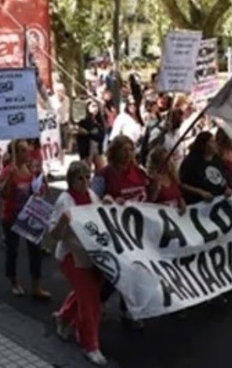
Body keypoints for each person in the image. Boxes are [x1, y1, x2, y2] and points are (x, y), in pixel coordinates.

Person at [50, 161, 108, 366]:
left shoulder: (92, 196)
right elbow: (54, 235)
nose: (85, 182)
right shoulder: (65, 201)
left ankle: (64, 317)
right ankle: (89, 344)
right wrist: (63, 222)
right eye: (79, 178)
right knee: (90, 302)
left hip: (91, 256)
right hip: (72, 257)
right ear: (70, 180)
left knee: (86, 294)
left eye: (87, 177)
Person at [91, 134, 147, 327]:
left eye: (131, 149)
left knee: (134, 271)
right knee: (116, 272)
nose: (128, 153)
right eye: (124, 150)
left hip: (136, 232)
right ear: (114, 152)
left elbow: (148, 197)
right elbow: (92, 200)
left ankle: (129, 309)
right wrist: (111, 202)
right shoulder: (104, 175)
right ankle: (100, 300)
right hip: (114, 231)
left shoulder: (139, 172)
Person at [0, 140, 51, 299]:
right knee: (12, 251)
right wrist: (9, 177)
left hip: (29, 216)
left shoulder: (30, 169)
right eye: (22, 151)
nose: (27, 153)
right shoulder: (8, 171)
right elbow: (3, 195)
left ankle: (36, 286)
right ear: (15, 153)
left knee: (35, 250)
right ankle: (13, 281)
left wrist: (42, 177)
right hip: (11, 217)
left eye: (27, 150)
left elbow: (42, 190)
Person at [179, 131, 230, 204]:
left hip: (219, 200)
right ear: (204, 145)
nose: (216, 144)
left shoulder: (217, 160)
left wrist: (226, 189)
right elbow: (182, 184)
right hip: (200, 203)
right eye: (212, 142)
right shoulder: (191, 161)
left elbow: (222, 179)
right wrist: (200, 192)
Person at [146, 146, 186, 211]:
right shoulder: (151, 178)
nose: (168, 164)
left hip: (175, 214)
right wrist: (156, 185)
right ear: (156, 164)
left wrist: (182, 202)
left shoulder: (172, 176)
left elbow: (178, 195)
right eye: (164, 161)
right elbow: (150, 200)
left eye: (169, 160)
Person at [76, 100, 106, 167]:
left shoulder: (100, 120)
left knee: (101, 170)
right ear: (87, 107)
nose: (95, 108)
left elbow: (101, 137)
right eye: (93, 106)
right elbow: (80, 139)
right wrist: (82, 155)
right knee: (87, 170)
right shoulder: (83, 121)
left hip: (98, 149)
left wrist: (88, 134)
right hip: (87, 150)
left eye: (96, 106)